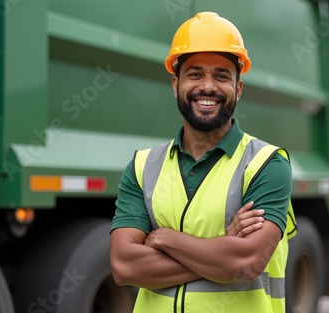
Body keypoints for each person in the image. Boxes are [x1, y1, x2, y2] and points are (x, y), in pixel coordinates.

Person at [109, 11, 297, 313]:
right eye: (195, 74)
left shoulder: (267, 164)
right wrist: (222, 246)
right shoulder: (143, 167)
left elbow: (247, 263)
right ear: (175, 85)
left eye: (221, 76)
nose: (207, 86)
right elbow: (124, 266)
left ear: (238, 88)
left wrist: (163, 238)